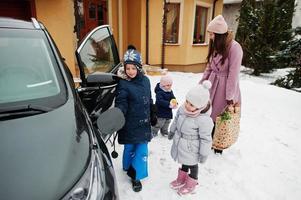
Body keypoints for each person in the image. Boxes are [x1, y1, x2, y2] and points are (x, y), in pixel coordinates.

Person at [200, 15, 243, 154]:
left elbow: (233, 74)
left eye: (211, 34)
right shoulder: (216, 45)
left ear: (219, 34)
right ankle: (208, 141)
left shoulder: (235, 48)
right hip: (211, 84)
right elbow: (209, 67)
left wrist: (230, 96)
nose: (210, 37)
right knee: (208, 114)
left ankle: (219, 145)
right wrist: (201, 85)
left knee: (221, 117)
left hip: (225, 87)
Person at [115, 49, 154, 192]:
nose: (130, 71)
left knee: (142, 150)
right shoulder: (124, 84)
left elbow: (149, 98)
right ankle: (127, 166)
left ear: (139, 67)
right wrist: (119, 112)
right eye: (127, 68)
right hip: (129, 123)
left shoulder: (146, 81)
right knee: (130, 148)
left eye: (133, 68)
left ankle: (135, 176)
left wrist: (153, 111)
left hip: (143, 122)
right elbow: (122, 102)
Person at [168, 81, 214, 195]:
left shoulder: (204, 120)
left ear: (200, 106)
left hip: (193, 147)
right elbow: (176, 120)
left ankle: (191, 183)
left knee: (192, 165)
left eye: (191, 104)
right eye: (187, 101)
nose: (187, 105)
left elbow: (206, 139)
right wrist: (172, 130)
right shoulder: (183, 109)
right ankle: (181, 179)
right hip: (181, 142)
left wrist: (204, 153)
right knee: (184, 161)